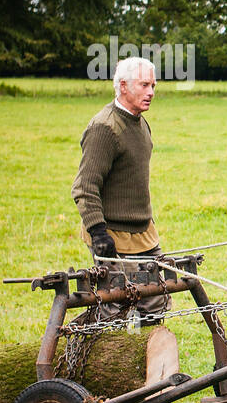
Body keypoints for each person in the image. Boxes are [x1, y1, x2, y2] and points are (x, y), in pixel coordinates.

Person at [71, 57, 169, 322]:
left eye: (153, 86)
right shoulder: (104, 128)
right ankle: (100, 359)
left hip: (144, 235)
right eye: (144, 85)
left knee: (156, 301)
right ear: (123, 86)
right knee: (115, 308)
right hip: (112, 235)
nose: (151, 92)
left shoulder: (141, 124)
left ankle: (149, 360)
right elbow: (84, 186)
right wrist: (98, 232)